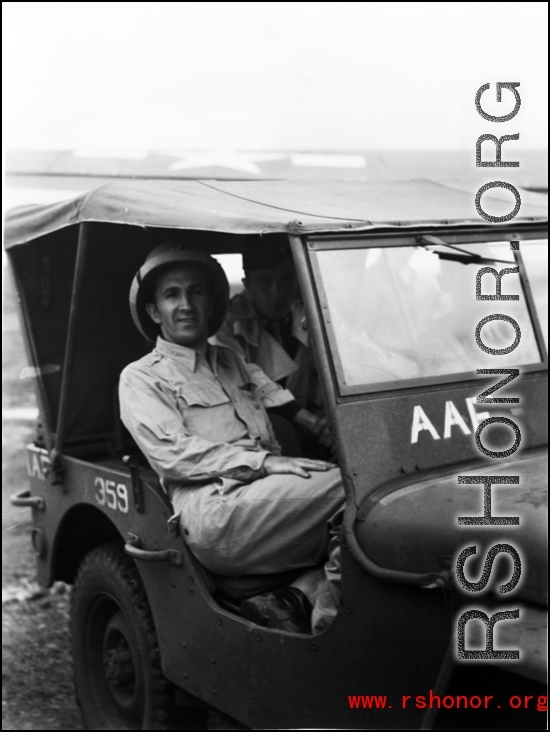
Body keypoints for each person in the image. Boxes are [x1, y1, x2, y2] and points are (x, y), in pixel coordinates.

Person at [119, 243, 344, 634]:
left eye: (197, 292)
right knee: (355, 492)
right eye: (172, 294)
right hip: (214, 506)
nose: (186, 304)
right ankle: (332, 622)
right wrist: (265, 463)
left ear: (211, 304)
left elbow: (288, 402)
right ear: (155, 312)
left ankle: (301, 596)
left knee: (368, 493)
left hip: (263, 499)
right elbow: (173, 455)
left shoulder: (233, 361)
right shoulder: (141, 376)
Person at [211, 237, 333, 455]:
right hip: (254, 441)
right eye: (265, 282)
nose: (277, 294)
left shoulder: (311, 316)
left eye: (285, 280)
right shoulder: (226, 323)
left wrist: (328, 417)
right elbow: (243, 375)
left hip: (310, 431)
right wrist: (310, 421)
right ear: (247, 284)